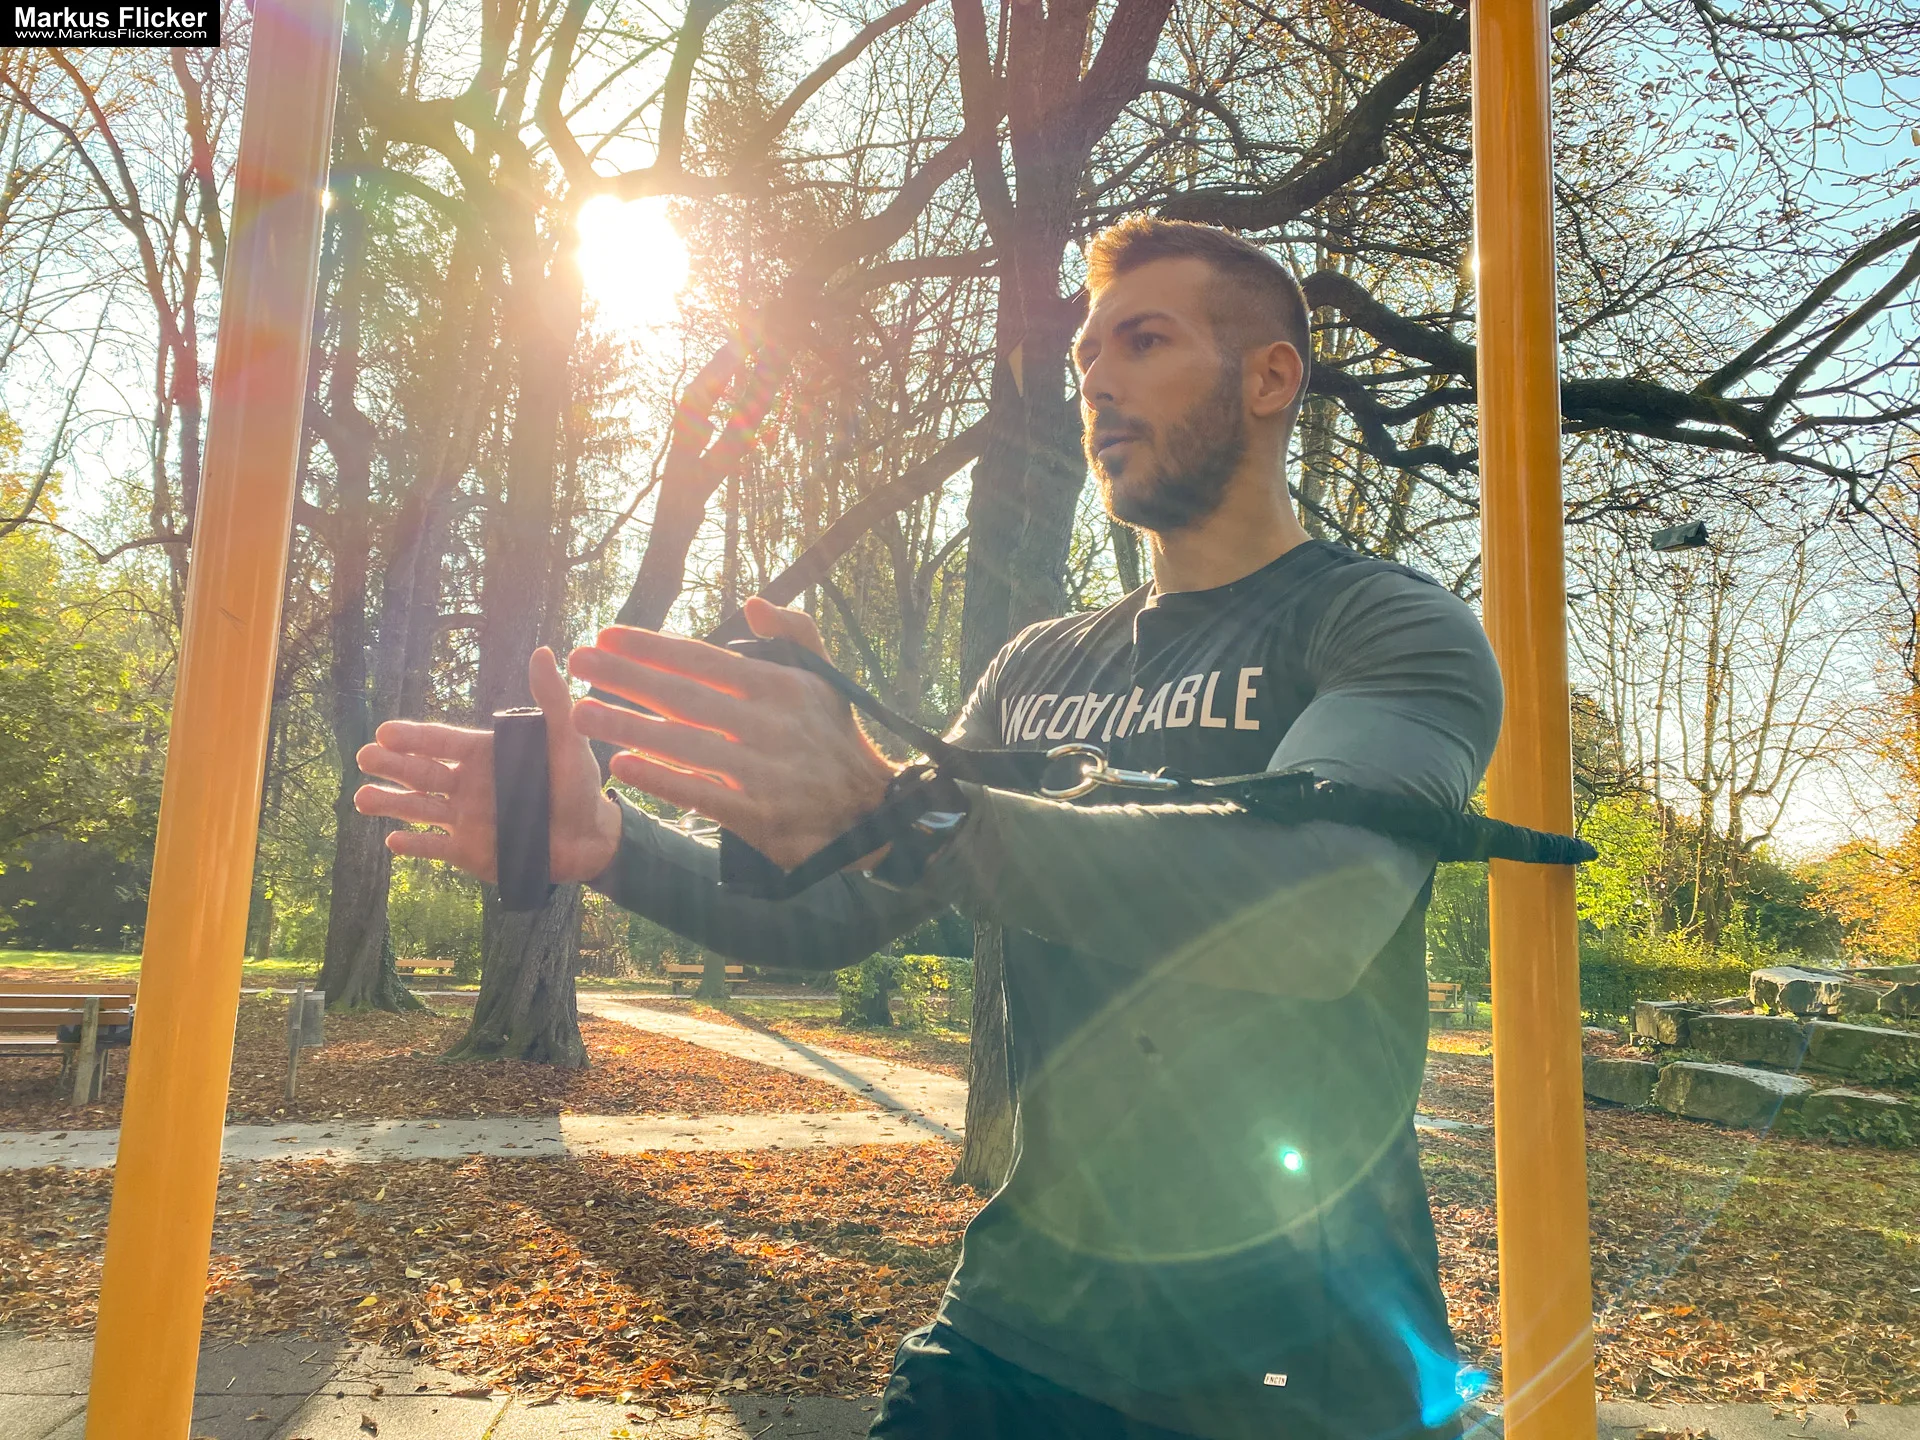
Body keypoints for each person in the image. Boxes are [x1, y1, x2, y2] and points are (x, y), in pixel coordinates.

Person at [354, 216, 1503, 1440]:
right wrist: (612, 845)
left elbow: (1316, 910)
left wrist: (903, 800)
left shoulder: (1387, 627)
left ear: (1271, 376)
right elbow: (837, 912)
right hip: (1014, 1333)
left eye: (1144, 340)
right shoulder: (1038, 664)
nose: (1098, 380)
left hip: (1302, 1367)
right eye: (1082, 361)